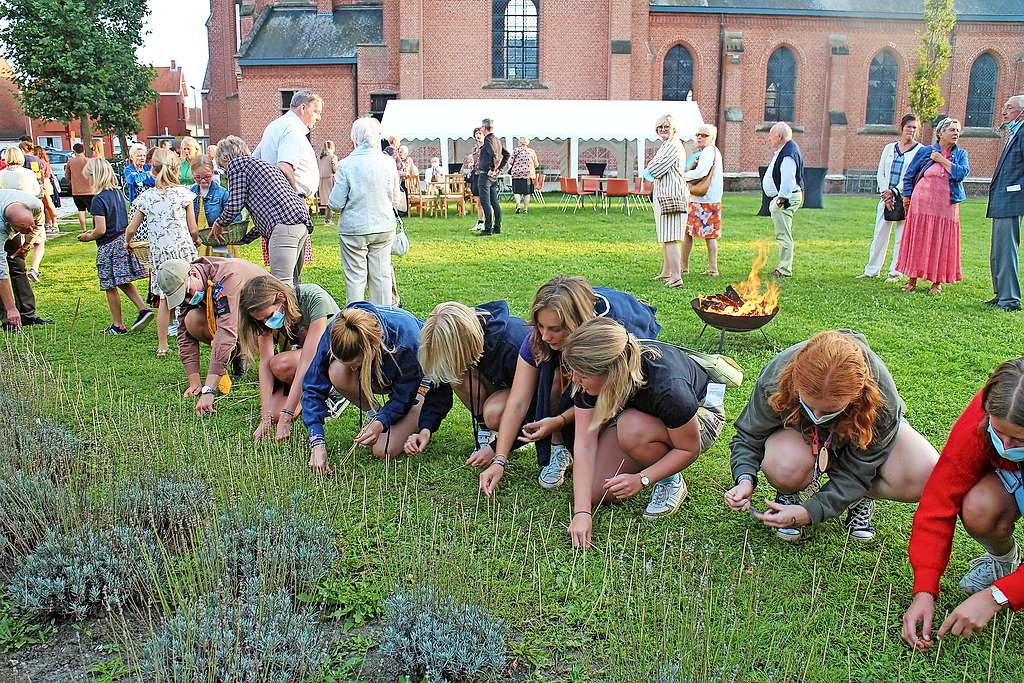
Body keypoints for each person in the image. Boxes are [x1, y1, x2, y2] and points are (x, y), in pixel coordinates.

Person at [724, 330, 938, 543]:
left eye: (829, 410)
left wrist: (810, 512)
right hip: (801, 440)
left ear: (857, 395)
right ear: (796, 382)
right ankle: (789, 494)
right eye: (809, 405)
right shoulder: (777, 375)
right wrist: (744, 479)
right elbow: (749, 436)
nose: (817, 417)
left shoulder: (881, 396)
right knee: (784, 464)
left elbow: (858, 471)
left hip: (859, 442)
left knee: (924, 472)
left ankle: (861, 496)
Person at [479, 276, 661, 497]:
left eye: (555, 329)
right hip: (583, 401)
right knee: (553, 378)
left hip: (619, 400)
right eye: (540, 326)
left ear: (577, 322)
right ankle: (561, 447)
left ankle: (663, 469)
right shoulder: (539, 339)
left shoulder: (609, 340)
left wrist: (564, 421)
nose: (545, 336)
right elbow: (518, 402)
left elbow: (612, 397)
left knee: (599, 487)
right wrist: (500, 459)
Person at [564, 318, 726, 547]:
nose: (574, 379)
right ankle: (646, 450)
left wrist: (642, 479)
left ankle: (671, 480)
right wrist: (582, 512)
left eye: (581, 374)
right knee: (594, 491)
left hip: (699, 416)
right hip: (642, 415)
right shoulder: (589, 377)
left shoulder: (669, 387)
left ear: (610, 373)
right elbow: (584, 443)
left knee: (630, 428)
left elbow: (689, 449)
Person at [902, 359, 1024, 650]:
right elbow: (939, 500)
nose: (1005, 446)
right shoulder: (984, 415)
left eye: (1018, 438)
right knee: (979, 507)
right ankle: (1003, 563)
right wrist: (925, 588)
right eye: (998, 433)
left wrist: (998, 596)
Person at [301, 303, 438, 473]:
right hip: (382, 371)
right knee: (337, 371)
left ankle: (398, 417)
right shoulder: (338, 330)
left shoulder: (408, 342)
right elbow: (313, 384)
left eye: (357, 365)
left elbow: (403, 397)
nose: (352, 371)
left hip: (418, 384)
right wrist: (317, 441)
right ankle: (373, 413)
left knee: (383, 450)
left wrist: (382, 422)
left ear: (372, 349)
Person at [409, 300, 530, 456]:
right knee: (456, 375)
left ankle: (525, 435)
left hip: (527, 396)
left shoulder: (513, 345)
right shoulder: (466, 346)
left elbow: (537, 404)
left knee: (493, 413)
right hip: (503, 387)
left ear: (463, 345)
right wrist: (426, 429)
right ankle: (485, 429)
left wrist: (497, 450)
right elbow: (440, 387)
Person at [237, 275, 341, 444]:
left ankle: (333, 391)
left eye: (268, 316)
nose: (267, 323)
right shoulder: (265, 318)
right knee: (274, 414)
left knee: (280, 364)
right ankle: (311, 394)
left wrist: (287, 416)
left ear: (281, 297)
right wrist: (266, 418)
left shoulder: (314, 299)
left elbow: (308, 361)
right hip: (300, 360)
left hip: (329, 359)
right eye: (262, 320)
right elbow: (264, 364)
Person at [156, 257, 267, 411]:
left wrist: (209, 389)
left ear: (193, 274)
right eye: (182, 299)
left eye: (187, 294)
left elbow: (226, 331)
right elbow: (183, 334)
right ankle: (237, 353)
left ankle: (246, 351)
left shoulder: (226, 278)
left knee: (224, 334)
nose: (188, 301)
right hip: (239, 319)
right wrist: (194, 381)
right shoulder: (196, 281)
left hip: (264, 321)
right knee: (191, 320)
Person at [124, 148, 200, 357]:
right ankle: (199, 332)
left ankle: (162, 345)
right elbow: (193, 228)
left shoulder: (146, 198)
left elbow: (132, 228)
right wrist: (197, 240)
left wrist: (127, 242)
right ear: (176, 169)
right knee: (193, 292)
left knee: (165, 299)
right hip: (183, 252)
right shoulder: (184, 194)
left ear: (152, 171)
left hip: (161, 255)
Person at [211, 135, 312, 287]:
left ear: (226, 157)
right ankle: (299, 310)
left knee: (280, 284)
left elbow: (234, 205)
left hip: (284, 227)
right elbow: (267, 213)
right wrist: (245, 239)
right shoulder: (261, 165)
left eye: (223, 167)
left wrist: (219, 224)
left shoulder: (237, 164)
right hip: (300, 223)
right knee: (294, 282)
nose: (226, 171)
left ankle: (286, 311)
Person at [329, 117, 402, 306]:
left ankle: (356, 321)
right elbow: (396, 199)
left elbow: (335, 203)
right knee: (381, 276)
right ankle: (384, 319)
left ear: (354, 139)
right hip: (383, 225)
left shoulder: (346, 165)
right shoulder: (388, 163)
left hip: (354, 228)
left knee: (355, 278)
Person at [75, 158, 152, 335]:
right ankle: (143, 308)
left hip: (108, 246)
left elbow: (100, 229)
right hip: (122, 241)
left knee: (110, 285)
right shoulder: (118, 194)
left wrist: (88, 236)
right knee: (123, 280)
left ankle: (117, 325)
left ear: (96, 176)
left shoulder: (98, 200)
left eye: (89, 177)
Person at [896, 117, 969, 295]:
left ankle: (936, 282)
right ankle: (911, 279)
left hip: (946, 207)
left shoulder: (961, 154)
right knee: (918, 239)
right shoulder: (925, 151)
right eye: (952, 130)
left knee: (940, 241)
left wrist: (941, 160)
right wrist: (907, 197)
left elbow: (961, 173)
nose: (956, 133)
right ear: (940, 133)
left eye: (957, 130)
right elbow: (909, 175)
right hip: (921, 204)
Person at [858, 114, 922, 282]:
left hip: (904, 198)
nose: (911, 130)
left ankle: (895, 271)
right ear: (902, 127)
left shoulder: (919, 151)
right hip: (885, 198)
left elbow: (912, 175)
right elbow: (881, 172)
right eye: (909, 126)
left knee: (901, 236)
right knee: (880, 233)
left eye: (914, 127)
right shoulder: (889, 148)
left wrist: (895, 191)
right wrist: (885, 193)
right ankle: (872, 270)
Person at [986, 95, 1024, 312]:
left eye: (1009, 108)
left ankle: (1010, 299)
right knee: (998, 250)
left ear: (1022, 112)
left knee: (1007, 249)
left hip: (1011, 200)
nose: (1004, 112)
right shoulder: (1014, 132)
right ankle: (1000, 294)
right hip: (1002, 201)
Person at [642, 114, 688, 288]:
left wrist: (648, 170)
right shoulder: (667, 144)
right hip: (665, 194)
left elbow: (656, 168)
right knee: (666, 236)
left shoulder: (673, 145)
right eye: (660, 127)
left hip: (672, 195)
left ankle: (676, 277)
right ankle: (667, 272)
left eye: (666, 126)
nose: (663, 129)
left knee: (670, 238)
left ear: (673, 128)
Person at [254, 90, 322, 199]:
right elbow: (284, 168)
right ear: (303, 108)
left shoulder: (275, 125)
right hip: (290, 200)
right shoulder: (292, 129)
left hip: (275, 197)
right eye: (316, 111)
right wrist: (295, 196)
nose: (319, 118)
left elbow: (255, 159)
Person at [0, 189, 52, 330]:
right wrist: (11, 308)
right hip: (3, 224)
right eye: (25, 229)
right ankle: (9, 318)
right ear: (10, 225)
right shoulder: (2, 226)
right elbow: (1, 271)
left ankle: (28, 315)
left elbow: (36, 226)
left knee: (18, 266)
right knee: (2, 274)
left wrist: (26, 245)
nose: (30, 229)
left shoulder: (35, 205)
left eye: (31, 225)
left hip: (13, 219)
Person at [760, 122, 804, 278]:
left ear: (779, 136)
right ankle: (784, 267)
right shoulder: (785, 150)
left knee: (783, 234)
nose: (768, 139)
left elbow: (788, 179)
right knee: (783, 233)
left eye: (771, 135)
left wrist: (782, 198)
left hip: (786, 197)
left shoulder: (788, 153)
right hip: (785, 196)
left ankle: (784, 269)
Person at [682, 123, 724, 276]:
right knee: (696, 234)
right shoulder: (710, 152)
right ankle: (690, 266)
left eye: (704, 135)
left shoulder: (708, 151)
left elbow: (702, 171)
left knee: (702, 235)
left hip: (704, 200)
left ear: (712, 138)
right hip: (706, 199)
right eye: (698, 134)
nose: (700, 137)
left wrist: (683, 176)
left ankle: (710, 269)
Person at [0, 147, 45, 284]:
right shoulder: (28, 174)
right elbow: (37, 191)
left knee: (10, 258)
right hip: (25, 214)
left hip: (10, 218)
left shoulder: (1, 174)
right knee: (38, 241)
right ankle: (34, 268)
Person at [190, 155, 243, 258]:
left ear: (212, 172)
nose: (203, 181)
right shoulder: (190, 194)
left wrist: (224, 228)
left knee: (223, 270)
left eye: (207, 177)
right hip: (199, 243)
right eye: (198, 177)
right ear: (192, 174)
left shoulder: (222, 193)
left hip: (220, 242)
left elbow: (236, 218)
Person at [475, 118, 509, 237]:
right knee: (495, 202)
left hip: (486, 175)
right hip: (493, 177)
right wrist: (499, 169)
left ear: (484, 128)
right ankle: (497, 227)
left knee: (485, 203)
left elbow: (493, 155)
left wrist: (493, 168)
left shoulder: (488, 141)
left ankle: (488, 228)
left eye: (481, 128)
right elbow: (507, 154)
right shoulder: (497, 140)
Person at [66, 143, 92, 233]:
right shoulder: (88, 161)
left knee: (81, 210)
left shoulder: (70, 162)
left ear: (74, 151)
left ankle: (84, 229)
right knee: (94, 211)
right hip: (89, 190)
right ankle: (96, 227)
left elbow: (67, 176)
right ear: (83, 150)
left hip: (76, 190)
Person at [509, 137, 539, 215]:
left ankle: (518, 205)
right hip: (528, 174)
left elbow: (510, 162)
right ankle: (525, 209)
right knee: (527, 193)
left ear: (520, 142)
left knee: (517, 191)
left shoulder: (516, 150)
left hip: (517, 174)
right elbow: (536, 164)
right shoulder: (531, 151)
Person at [464, 127, 486, 232]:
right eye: (476, 133)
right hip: (476, 175)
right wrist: (471, 164)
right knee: (478, 201)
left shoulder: (487, 146)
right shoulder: (475, 148)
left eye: (480, 133)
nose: (478, 135)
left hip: (485, 176)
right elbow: (473, 160)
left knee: (485, 201)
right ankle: (480, 222)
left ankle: (487, 222)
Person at [32, 146, 57, 233]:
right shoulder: (45, 161)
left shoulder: (40, 162)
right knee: (46, 205)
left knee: (47, 204)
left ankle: (53, 223)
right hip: (47, 182)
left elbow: (41, 174)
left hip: (43, 183)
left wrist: (41, 184)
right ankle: (49, 223)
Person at [318, 140, 338, 222]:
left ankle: (328, 218)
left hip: (322, 179)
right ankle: (328, 219)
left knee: (326, 200)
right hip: (330, 179)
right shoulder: (333, 157)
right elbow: (335, 169)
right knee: (331, 199)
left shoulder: (320, 157)